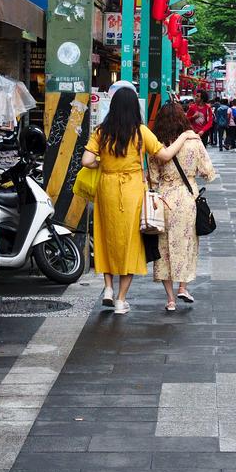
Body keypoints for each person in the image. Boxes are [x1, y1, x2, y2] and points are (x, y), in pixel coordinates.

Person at [81, 87, 198, 314]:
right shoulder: (141, 131)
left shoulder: (101, 131)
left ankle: (107, 288)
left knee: (106, 237)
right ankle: (121, 300)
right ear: (135, 107)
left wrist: (103, 164)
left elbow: (86, 160)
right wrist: (184, 136)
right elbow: (164, 155)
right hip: (132, 190)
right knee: (130, 243)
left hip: (107, 188)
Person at [149, 101, 217, 311]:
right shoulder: (194, 142)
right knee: (186, 244)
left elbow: (152, 179)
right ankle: (183, 287)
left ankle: (170, 300)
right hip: (187, 199)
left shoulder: (157, 145)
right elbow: (208, 173)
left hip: (164, 200)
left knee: (164, 248)